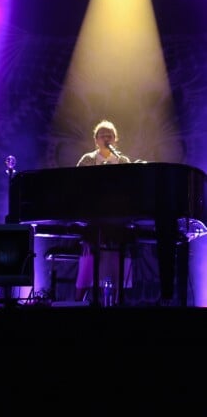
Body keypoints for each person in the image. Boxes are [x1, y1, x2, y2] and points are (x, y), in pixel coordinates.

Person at [75, 120, 132, 302]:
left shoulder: (123, 161)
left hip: (117, 217)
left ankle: (116, 301)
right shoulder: (87, 159)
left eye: (110, 135)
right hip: (93, 216)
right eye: (103, 135)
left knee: (120, 247)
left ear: (115, 139)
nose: (106, 138)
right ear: (96, 140)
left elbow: (131, 189)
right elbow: (77, 185)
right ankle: (78, 302)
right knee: (90, 256)